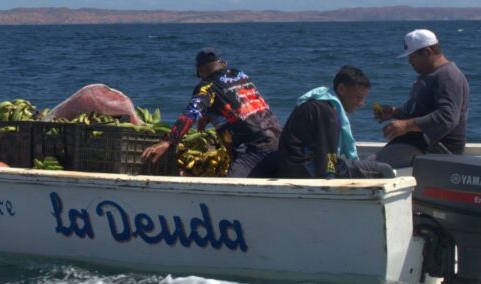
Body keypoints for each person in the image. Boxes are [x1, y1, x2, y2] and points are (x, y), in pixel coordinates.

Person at [142, 47, 282, 177]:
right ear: (223, 63)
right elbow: (241, 103)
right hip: (281, 142)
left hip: (256, 149)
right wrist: (209, 115)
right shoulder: (240, 75)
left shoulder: (207, 86)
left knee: (229, 193)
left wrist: (169, 141)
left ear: (199, 69)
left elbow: (191, 113)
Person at [374, 29, 470, 168]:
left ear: (427, 52)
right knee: (367, 165)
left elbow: (448, 117)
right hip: (417, 144)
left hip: (435, 149)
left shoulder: (447, 76)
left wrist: (406, 125)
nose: (409, 61)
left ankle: (331, 171)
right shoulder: (430, 75)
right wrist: (395, 113)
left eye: (412, 56)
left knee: (370, 167)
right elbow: (422, 113)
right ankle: (332, 171)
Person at [278, 66, 393, 179]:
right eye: (358, 97)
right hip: (307, 170)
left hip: (294, 167)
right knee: (384, 170)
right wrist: (330, 176)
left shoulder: (318, 104)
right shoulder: (327, 112)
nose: (361, 103)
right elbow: (328, 152)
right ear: (341, 89)